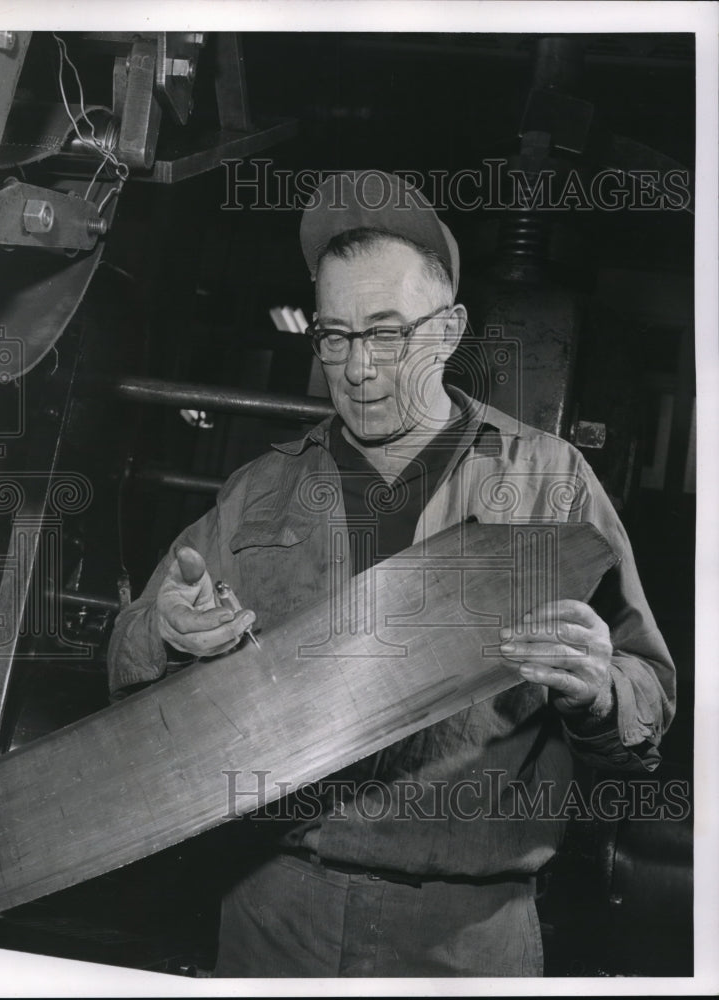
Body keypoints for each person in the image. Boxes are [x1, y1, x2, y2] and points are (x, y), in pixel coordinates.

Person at [107, 170, 675, 977]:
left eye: (386, 333)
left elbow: (650, 697)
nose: (357, 367)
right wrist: (164, 633)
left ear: (449, 331)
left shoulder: (552, 483)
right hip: (272, 911)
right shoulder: (259, 491)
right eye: (334, 335)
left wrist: (600, 689)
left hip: (465, 934)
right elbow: (126, 665)